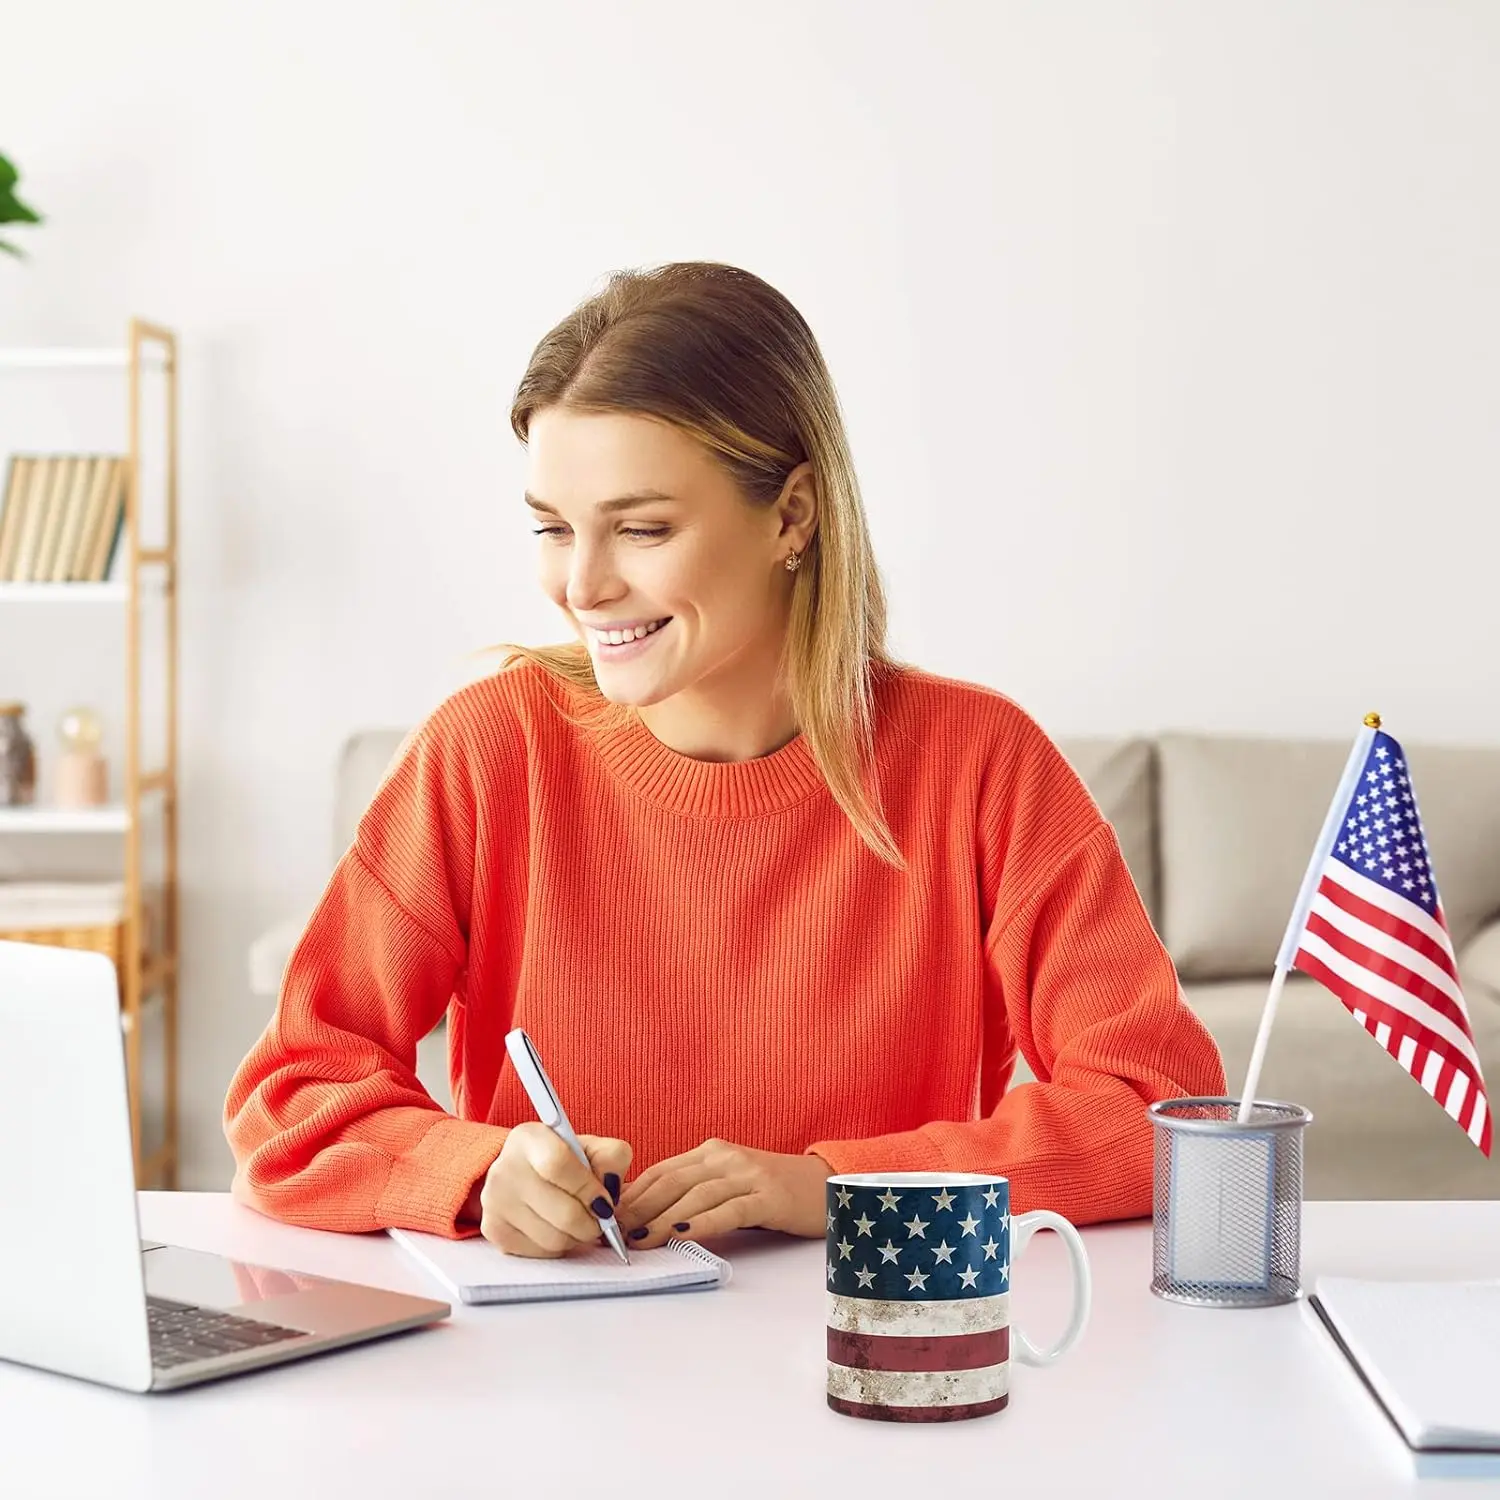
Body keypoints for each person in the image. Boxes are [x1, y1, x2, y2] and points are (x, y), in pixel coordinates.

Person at [224, 261, 1224, 1259]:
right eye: (552, 527)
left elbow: (1159, 1111)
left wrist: (833, 1187)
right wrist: (478, 1174)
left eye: (642, 528)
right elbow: (291, 1098)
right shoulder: (489, 750)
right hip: (552, 1366)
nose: (582, 583)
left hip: (866, 1343)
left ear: (791, 515)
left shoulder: (979, 763)